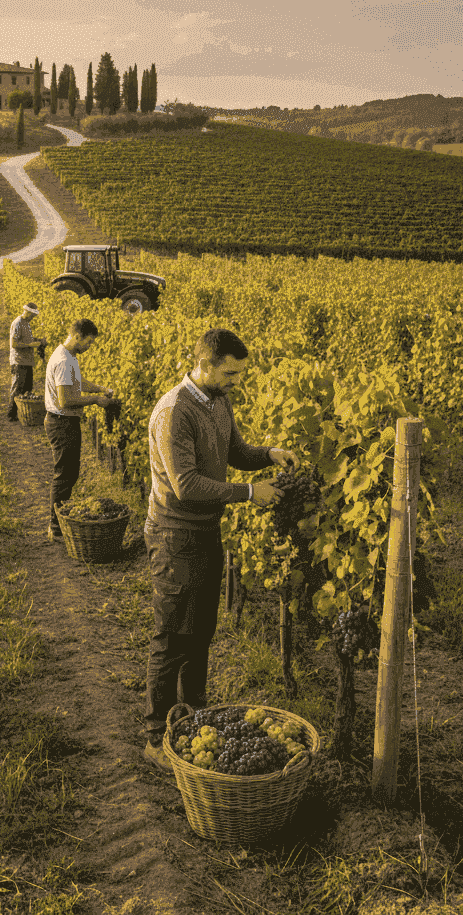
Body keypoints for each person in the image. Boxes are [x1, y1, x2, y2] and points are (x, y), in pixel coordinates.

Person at [141, 328, 298, 771]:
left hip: (205, 533)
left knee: (201, 634)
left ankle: (191, 719)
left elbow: (237, 451)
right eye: (231, 372)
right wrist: (250, 493)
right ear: (206, 365)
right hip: (174, 535)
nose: (237, 380)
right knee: (171, 637)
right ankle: (154, 739)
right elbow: (185, 485)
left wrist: (270, 454)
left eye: (240, 373)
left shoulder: (218, 402)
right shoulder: (175, 411)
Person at [44, 317, 115, 540]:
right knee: (64, 475)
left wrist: (100, 388)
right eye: (89, 342)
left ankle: (58, 522)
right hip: (62, 422)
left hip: (63, 421)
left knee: (69, 473)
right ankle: (56, 529)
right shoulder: (64, 361)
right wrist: (95, 400)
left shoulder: (68, 355)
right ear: (77, 336)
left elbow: (77, 382)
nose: (90, 346)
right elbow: (66, 400)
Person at [7, 302, 46, 421]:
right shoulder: (18, 323)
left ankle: (22, 414)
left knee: (28, 388)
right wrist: (30, 345)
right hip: (19, 361)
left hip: (27, 361)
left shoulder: (26, 324)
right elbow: (14, 344)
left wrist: (39, 341)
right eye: (32, 315)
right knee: (18, 388)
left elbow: (28, 339)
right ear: (28, 312)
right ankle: (11, 414)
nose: (33, 318)